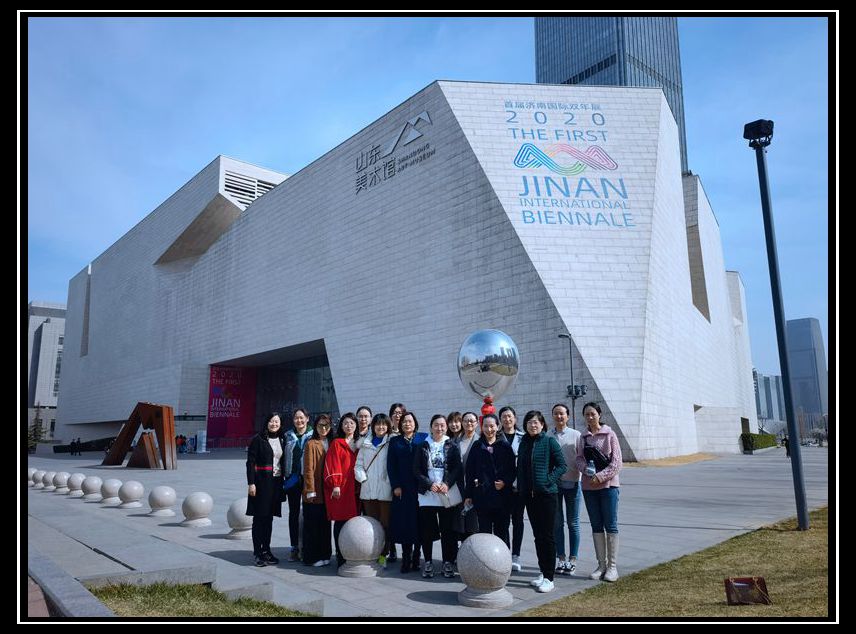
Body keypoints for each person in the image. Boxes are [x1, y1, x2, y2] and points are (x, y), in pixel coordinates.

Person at [517, 410, 567, 593]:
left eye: (536, 422)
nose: (533, 425)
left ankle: (549, 577)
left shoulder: (549, 441)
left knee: (547, 536)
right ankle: (543, 571)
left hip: (547, 495)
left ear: (542, 424)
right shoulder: (524, 442)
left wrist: (547, 480)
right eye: (529, 422)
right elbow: (521, 468)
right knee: (538, 536)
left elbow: (562, 466)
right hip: (529, 496)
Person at [575, 401, 622, 582]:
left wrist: (600, 477)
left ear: (599, 414)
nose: (590, 417)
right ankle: (601, 565)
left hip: (608, 487)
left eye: (592, 414)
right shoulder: (583, 437)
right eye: (587, 414)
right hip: (589, 487)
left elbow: (616, 463)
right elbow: (579, 459)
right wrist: (586, 470)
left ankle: (612, 567)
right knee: (596, 525)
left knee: (610, 525)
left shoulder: (610, 434)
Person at [414, 414, 463, 579]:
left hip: (445, 494)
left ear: (446, 427)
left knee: (447, 531)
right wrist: (429, 484)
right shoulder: (422, 445)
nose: (439, 428)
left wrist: (447, 483)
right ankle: (428, 561)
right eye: (436, 425)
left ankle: (447, 562)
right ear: (431, 427)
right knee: (427, 531)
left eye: (442, 425)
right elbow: (416, 470)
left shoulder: (452, 445)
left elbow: (457, 468)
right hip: (427, 495)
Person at [463, 414, 515, 547]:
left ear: (498, 427)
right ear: (481, 427)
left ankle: (503, 558)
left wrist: (505, 482)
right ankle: (485, 559)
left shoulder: (505, 446)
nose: (489, 429)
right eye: (485, 426)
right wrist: (468, 495)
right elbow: (470, 472)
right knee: (484, 533)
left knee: (502, 532)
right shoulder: (477, 446)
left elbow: (512, 470)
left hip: (502, 497)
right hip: (482, 496)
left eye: (492, 426)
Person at [388, 411, 427, 573]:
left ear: (415, 423)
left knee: (419, 523)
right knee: (405, 524)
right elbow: (391, 466)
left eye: (410, 421)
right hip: (403, 490)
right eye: (404, 421)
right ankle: (406, 558)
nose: (407, 424)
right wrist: (395, 485)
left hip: (420, 489)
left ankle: (416, 557)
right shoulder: (395, 441)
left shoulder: (423, 438)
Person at [246, 412, 286, 567]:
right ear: (266, 422)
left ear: (280, 424)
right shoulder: (258, 439)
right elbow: (250, 463)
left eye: (277, 422)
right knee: (259, 518)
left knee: (269, 518)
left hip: (276, 483)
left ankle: (266, 550)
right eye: (271, 421)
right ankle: (258, 552)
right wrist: (251, 483)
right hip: (261, 483)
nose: (274, 424)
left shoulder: (282, 439)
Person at [355, 413, 394, 567]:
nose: (381, 427)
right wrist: (363, 478)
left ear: (388, 426)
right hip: (368, 490)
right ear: (373, 426)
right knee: (371, 524)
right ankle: (372, 553)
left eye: (384, 424)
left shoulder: (391, 442)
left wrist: (389, 481)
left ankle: (383, 555)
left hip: (385, 491)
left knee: (385, 524)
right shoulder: (365, 444)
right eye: (378, 424)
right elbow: (358, 465)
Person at [549, 403, 582, 576]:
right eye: (556, 413)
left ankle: (573, 559)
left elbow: (582, 458)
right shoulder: (548, 435)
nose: (559, 416)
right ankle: (561, 559)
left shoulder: (576, 435)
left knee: (573, 523)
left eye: (562, 413)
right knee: (557, 523)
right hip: (554, 485)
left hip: (573, 483)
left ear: (567, 416)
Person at [324, 413, 360, 568]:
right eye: (346, 423)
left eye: (352, 423)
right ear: (341, 426)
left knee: (355, 521)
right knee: (340, 521)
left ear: (356, 425)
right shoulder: (337, 443)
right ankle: (340, 554)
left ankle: (354, 552)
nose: (349, 426)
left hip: (357, 488)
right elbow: (333, 463)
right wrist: (336, 484)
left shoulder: (360, 443)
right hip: (342, 488)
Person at [302, 414, 333, 566]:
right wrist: (310, 490)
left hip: (328, 492)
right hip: (315, 492)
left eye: (326, 425)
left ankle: (325, 554)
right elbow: (308, 469)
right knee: (312, 526)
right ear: (315, 426)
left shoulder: (332, 442)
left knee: (325, 525)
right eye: (321, 425)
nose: (324, 428)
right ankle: (312, 557)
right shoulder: (311, 443)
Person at [499, 405, 526, 571]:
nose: (507, 419)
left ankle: (516, 554)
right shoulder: (496, 436)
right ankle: (505, 553)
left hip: (518, 487)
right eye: (504, 417)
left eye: (510, 416)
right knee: (502, 522)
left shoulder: (523, 437)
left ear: (515, 418)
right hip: (501, 487)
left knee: (518, 521)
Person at [283, 408, 312, 562]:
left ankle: (306, 546)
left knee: (308, 513)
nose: (299, 421)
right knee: (293, 514)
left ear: (307, 419)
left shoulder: (314, 434)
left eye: (301, 418)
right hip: (292, 479)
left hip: (308, 479)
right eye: (296, 418)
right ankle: (294, 546)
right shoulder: (287, 436)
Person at [386, 403, 406, 563]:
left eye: (400, 413)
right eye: (395, 412)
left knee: (402, 517)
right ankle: (389, 550)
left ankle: (407, 552)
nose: (397, 415)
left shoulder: (408, 433)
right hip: (386, 482)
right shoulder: (385, 432)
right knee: (387, 518)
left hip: (402, 483)